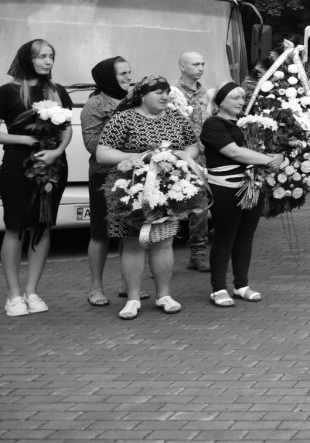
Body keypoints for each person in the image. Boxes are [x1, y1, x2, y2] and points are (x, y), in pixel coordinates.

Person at [96, 76, 198, 319]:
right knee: (134, 243)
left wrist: (179, 156)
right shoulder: (124, 118)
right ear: (142, 95)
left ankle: (164, 295)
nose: (164, 98)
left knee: (164, 242)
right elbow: (102, 153)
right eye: (158, 93)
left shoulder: (176, 118)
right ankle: (132, 298)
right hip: (131, 189)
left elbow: (193, 146)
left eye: (166, 93)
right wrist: (140, 156)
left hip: (168, 189)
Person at [1, 39, 73, 318]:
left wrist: (56, 152)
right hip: (17, 165)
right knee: (15, 226)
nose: (48, 61)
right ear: (26, 59)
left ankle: (32, 291)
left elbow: (66, 128)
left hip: (53, 166)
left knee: (43, 226)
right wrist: (23, 138)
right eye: (41, 56)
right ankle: (13, 295)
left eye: (51, 56)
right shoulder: (7, 92)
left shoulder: (56, 91)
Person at [200, 82, 284, 307]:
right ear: (220, 101)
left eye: (242, 98)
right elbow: (234, 152)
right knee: (225, 237)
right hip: (226, 188)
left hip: (253, 186)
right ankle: (218, 288)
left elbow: (262, 148)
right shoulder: (213, 124)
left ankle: (241, 285)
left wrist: (277, 155)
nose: (240, 102)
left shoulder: (248, 123)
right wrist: (269, 160)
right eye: (235, 98)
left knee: (245, 237)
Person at [80, 56, 134, 307]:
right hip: (104, 174)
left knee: (129, 231)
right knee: (101, 234)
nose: (128, 78)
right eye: (122, 74)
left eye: (129, 73)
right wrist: (128, 142)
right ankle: (96, 289)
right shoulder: (94, 104)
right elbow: (92, 145)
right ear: (108, 77)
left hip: (132, 173)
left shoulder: (134, 99)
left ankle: (128, 284)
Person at [176, 51, 211, 273]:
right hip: (177, 157)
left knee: (200, 208)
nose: (200, 68)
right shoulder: (171, 93)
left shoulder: (208, 94)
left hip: (203, 158)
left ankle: (198, 254)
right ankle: (157, 256)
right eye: (195, 64)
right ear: (182, 66)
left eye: (202, 63)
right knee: (167, 207)